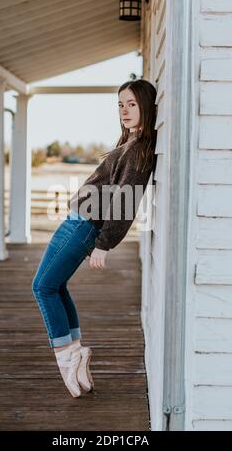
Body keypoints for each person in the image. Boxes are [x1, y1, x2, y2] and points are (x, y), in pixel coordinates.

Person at [31, 79, 158, 398]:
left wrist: (104, 243)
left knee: (43, 287)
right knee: (55, 286)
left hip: (83, 226)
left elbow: (126, 201)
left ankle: (67, 358)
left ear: (146, 106)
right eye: (120, 104)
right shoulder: (129, 143)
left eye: (132, 104)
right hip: (76, 221)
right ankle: (75, 352)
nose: (125, 110)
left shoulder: (140, 151)